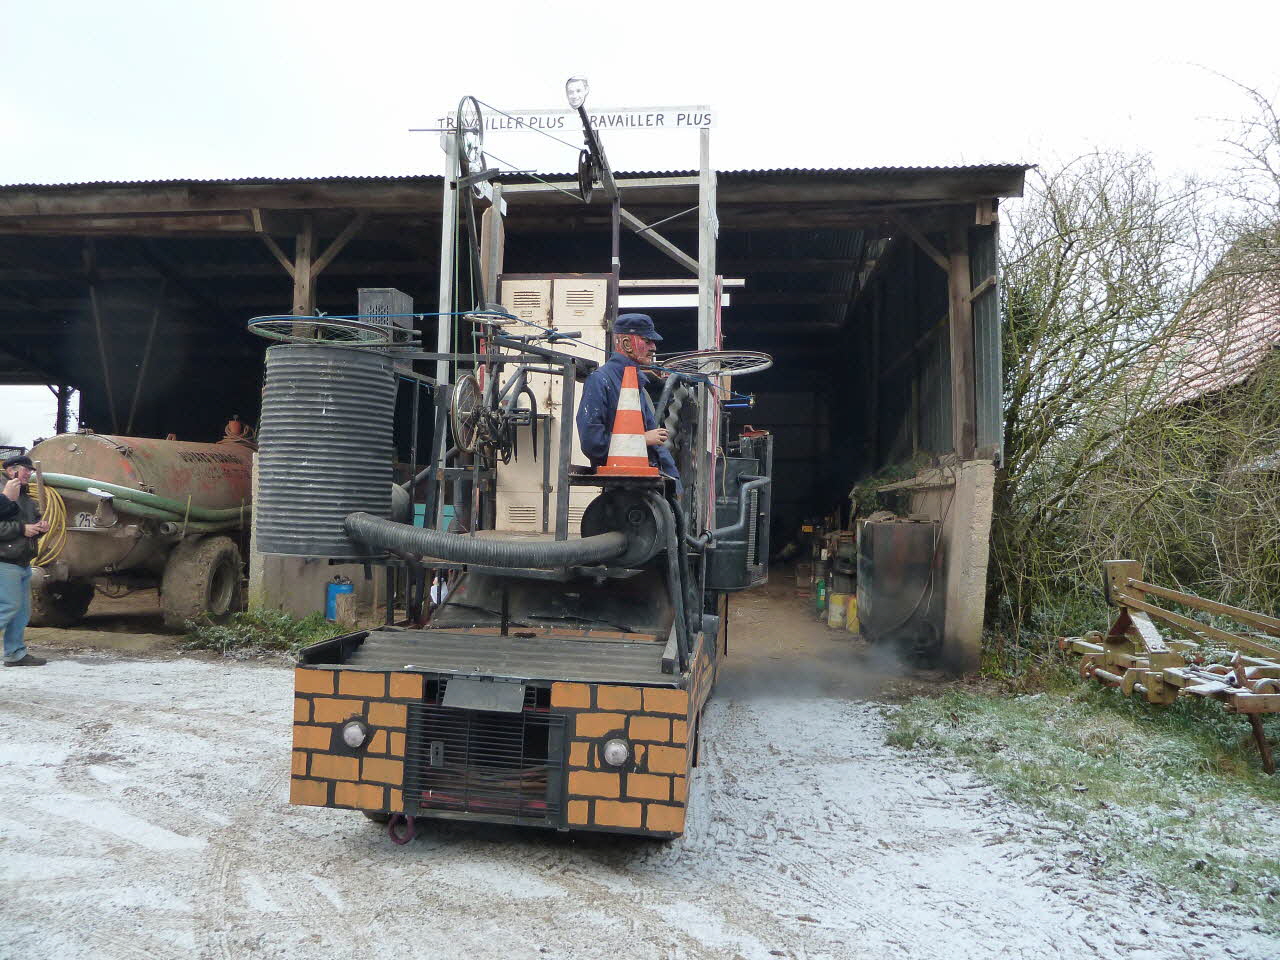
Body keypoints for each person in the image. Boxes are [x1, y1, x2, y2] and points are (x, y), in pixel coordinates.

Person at [576, 313, 681, 489]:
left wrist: (675, 483)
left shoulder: (636, 383)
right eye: (647, 340)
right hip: (623, 492)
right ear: (626, 343)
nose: (653, 347)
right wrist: (642, 440)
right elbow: (592, 444)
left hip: (646, 488)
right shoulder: (600, 381)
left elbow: (656, 444)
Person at [0, 455, 49, 667]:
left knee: (21, 612)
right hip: (5, 561)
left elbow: (29, 527)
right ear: (12, 470)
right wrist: (23, 529)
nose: (29, 474)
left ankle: (15, 653)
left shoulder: (26, 499)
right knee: (8, 607)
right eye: (25, 470)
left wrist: (38, 528)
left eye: (30, 470)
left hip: (22, 561)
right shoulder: (3, 496)